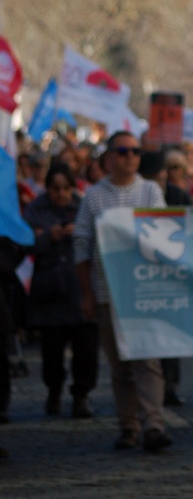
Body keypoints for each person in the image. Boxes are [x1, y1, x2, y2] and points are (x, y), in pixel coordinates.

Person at [74, 131, 172, 452]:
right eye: (123, 150)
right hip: (108, 293)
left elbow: (162, 233)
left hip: (144, 290)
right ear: (110, 156)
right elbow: (82, 246)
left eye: (135, 151)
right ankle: (128, 426)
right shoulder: (93, 196)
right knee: (120, 366)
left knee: (148, 360)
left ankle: (153, 425)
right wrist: (87, 293)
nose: (130, 156)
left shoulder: (150, 190)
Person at [23, 163, 99, 418]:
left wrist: (79, 234)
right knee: (52, 353)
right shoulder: (37, 209)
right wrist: (47, 238)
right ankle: (54, 391)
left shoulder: (84, 207)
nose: (61, 194)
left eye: (66, 189)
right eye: (56, 189)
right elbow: (24, 243)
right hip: (50, 291)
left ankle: (81, 395)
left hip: (80, 288)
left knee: (86, 350)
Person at [139, 149, 191, 407]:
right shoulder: (139, 197)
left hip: (172, 277)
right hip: (143, 278)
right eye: (151, 179)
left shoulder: (178, 196)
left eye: (160, 178)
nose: (157, 185)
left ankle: (170, 386)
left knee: (171, 336)